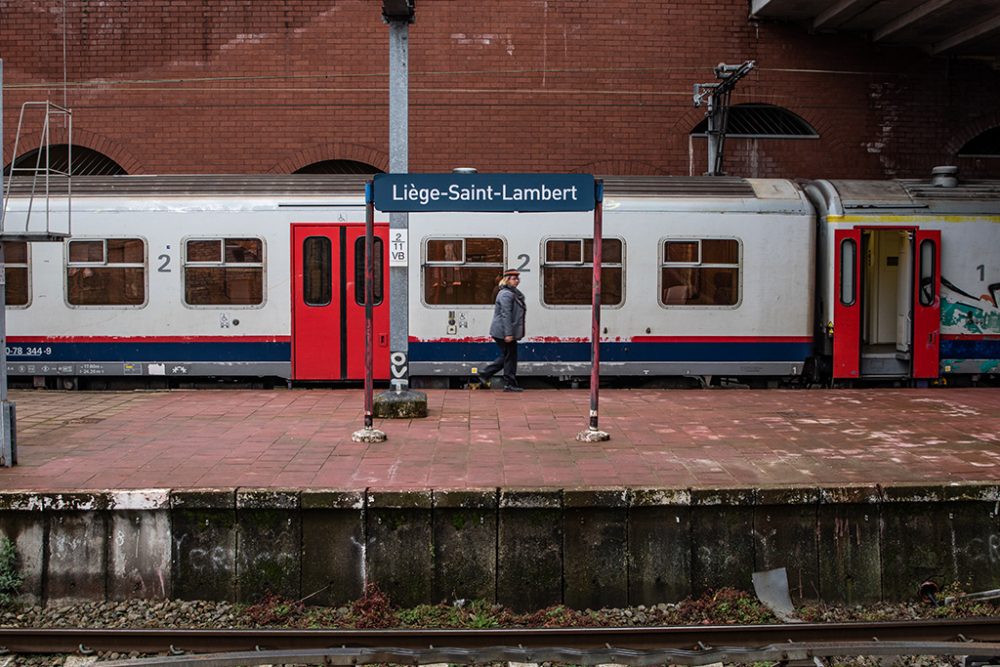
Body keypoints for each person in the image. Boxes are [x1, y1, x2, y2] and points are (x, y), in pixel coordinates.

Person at [474, 268, 527, 392]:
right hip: (502, 331)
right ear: (507, 280)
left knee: (509, 356)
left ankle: (488, 375)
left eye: (517, 278)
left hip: (505, 330)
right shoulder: (506, 294)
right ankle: (507, 382)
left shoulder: (512, 292)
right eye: (514, 279)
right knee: (509, 356)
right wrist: (508, 334)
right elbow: (506, 315)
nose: (517, 281)